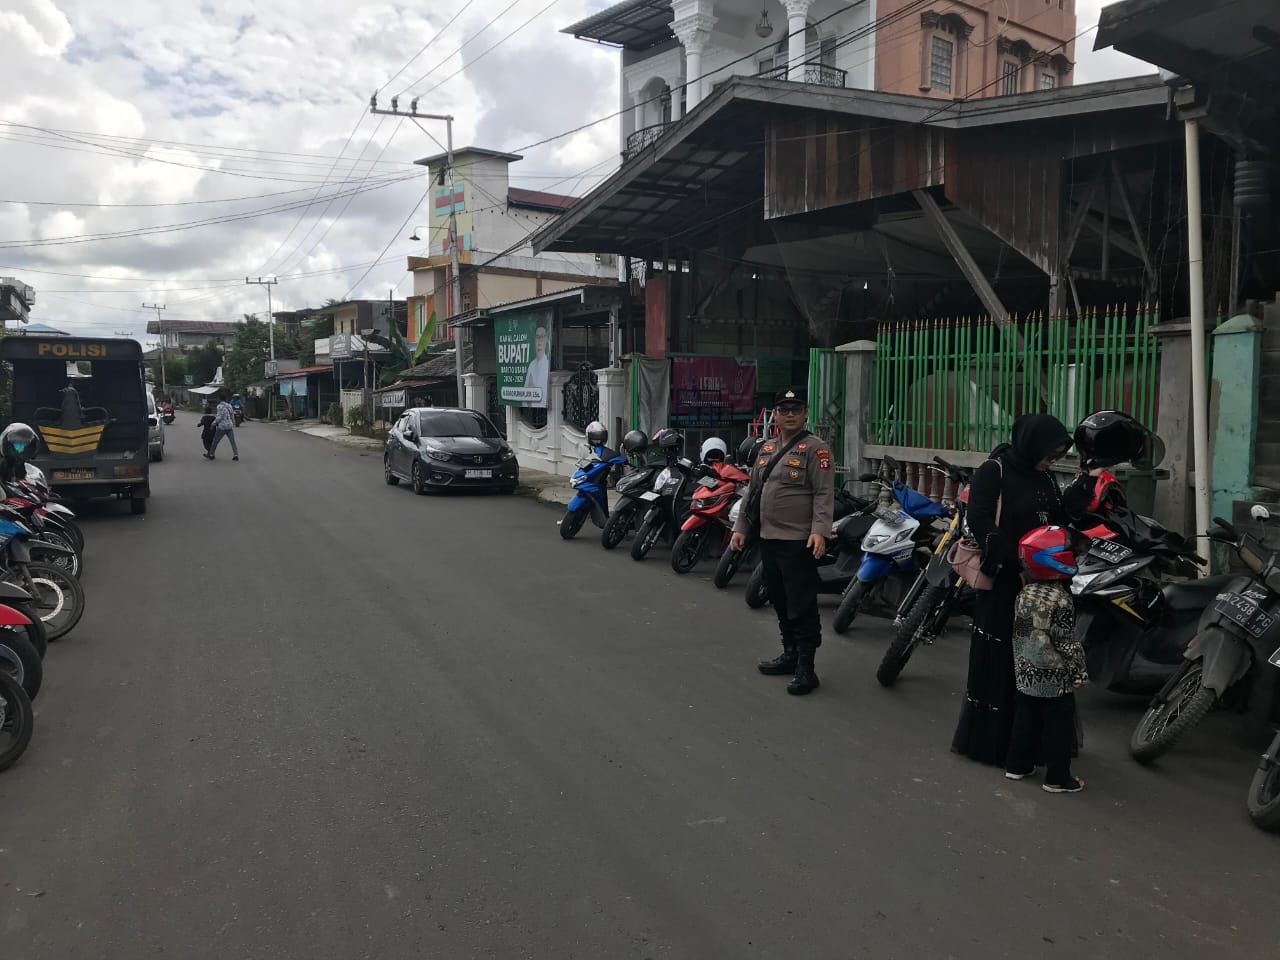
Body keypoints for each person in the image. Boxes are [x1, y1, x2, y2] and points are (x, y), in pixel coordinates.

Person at [951, 414, 1082, 765]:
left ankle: (1034, 747)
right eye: (1048, 453)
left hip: (1043, 583)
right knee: (1003, 662)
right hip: (1007, 581)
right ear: (1030, 443)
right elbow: (979, 520)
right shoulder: (995, 471)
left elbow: (1056, 519)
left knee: (1041, 663)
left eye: (1056, 455)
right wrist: (1016, 561)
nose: (1051, 460)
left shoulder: (1045, 476)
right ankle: (996, 746)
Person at [730, 387, 835, 696]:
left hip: (798, 541)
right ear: (775, 415)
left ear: (805, 414)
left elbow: (823, 494)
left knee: (801, 604)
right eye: (783, 409)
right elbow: (752, 493)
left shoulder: (817, 450)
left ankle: (806, 667)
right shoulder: (766, 450)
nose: (789, 414)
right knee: (778, 598)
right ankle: (789, 654)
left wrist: (820, 530)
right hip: (768, 538)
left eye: (795, 409)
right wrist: (741, 527)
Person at [1007, 525, 1088, 793]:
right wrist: (1078, 671)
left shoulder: (1023, 593)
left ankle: (1017, 766)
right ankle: (1057, 778)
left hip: (1024, 667)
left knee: (1024, 718)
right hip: (1052, 675)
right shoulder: (1062, 600)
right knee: (1058, 727)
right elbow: (1065, 641)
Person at [205, 397, 239, 461]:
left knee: (215, 441)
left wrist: (213, 424)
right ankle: (236, 455)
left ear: (219, 399)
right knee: (232, 441)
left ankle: (211, 454)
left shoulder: (220, 406)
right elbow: (232, 415)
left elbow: (219, 417)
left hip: (222, 427)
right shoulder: (229, 405)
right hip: (229, 426)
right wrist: (233, 423)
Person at [523, 323, 550, 403]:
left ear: (546, 339)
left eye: (542, 337)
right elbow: (525, 394)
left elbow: (546, 396)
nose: (539, 341)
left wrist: (533, 389)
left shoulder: (547, 365)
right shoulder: (531, 365)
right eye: (537, 337)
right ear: (534, 339)